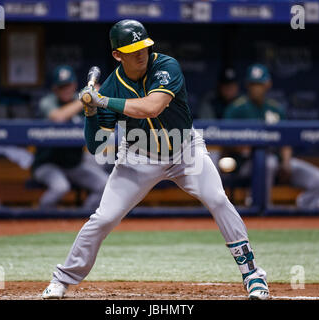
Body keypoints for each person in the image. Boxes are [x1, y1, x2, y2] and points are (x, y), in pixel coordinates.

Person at [42, 20, 270, 300]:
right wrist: (90, 112)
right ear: (117, 54)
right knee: (103, 218)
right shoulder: (113, 86)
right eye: (133, 49)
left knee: (218, 199)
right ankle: (61, 279)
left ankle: (253, 274)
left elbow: (152, 107)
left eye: (144, 47)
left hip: (186, 151)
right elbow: (95, 146)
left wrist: (101, 101)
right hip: (139, 156)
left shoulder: (166, 66)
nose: (141, 54)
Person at [223, 63, 319, 210]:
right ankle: (264, 210)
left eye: (259, 84)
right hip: (247, 164)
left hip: (277, 161)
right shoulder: (236, 109)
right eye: (253, 84)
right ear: (247, 85)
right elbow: (226, 140)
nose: (256, 88)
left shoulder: (275, 109)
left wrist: (286, 162)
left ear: (268, 84)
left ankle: (304, 206)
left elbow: (286, 140)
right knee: (268, 163)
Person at [31, 65, 109, 211]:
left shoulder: (79, 100)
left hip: (74, 164)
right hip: (47, 163)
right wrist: (86, 97)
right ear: (55, 88)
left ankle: (84, 217)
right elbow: (58, 117)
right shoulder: (48, 101)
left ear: (74, 85)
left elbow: (102, 121)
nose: (66, 89)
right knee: (61, 187)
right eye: (61, 87)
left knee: (105, 184)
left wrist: (97, 98)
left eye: (68, 85)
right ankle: (39, 218)